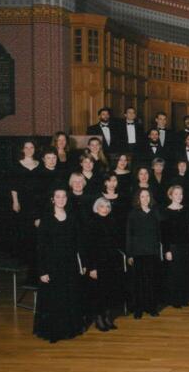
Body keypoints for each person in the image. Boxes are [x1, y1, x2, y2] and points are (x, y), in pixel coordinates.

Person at [33, 188, 85, 343]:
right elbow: (41, 247)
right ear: (52, 199)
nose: (61, 199)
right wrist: (42, 271)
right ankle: (54, 332)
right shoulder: (46, 219)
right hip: (52, 265)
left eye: (64, 197)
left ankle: (68, 329)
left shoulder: (72, 218)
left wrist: (82, 264)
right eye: (58, 196)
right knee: (54, 299)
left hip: (69, 264)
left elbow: (78, 243)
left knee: (69, 297)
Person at [84, 197, 124, 332]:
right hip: (97, 263)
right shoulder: (91, 223)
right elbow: (89, 248)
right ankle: (99, 319)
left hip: (111, 262)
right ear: (97, 208)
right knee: (98, 293)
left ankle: (107, 317)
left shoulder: (112, 221)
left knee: (109, 292)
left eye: (107, 207)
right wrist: (92, 267)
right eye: (102, 206)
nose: (105, 209)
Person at [126, 188, 162, 319]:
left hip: (152, 251)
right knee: (138, 283)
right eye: (142, 196)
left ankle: (151, 307)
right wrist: (129, 254)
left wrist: (159, 250)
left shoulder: (155, 213)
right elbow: (129, 234)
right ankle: (138, 309)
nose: (145, 199)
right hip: (138, 252)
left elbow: (160, 232)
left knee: (152, 281)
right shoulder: (133, 214)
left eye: (147, 196)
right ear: (138, 199)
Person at [8, 140, 41, 269]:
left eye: (31, 147)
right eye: (26, 147)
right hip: (23, 201)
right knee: (24, 229)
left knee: (36, 230)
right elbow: (13, 185)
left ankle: (35, 258)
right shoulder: (17, 165)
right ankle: (24, 258)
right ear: (22, 149)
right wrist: (15, 201)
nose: (29, 149)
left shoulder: (39, 164)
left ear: (34, 149)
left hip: (37, 202)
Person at [161, 185, 189, 308]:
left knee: (184, 272)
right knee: (174, 274)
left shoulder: (186, 210)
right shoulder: (166, 211)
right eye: (176, 194)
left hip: (185, 246)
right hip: (173, 247)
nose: (179, 196)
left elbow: (188, 230)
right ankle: (175, 300)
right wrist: (167, 250)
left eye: (180, 194)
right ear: (170, 196)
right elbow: (165, 234)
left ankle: (184, 298)